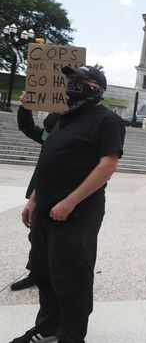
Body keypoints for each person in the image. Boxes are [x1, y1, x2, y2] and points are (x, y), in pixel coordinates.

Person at [10, 65, 126, 343]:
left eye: (79, 80)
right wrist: (34, 200)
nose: (72, 84)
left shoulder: (107, 120)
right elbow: (48, 161)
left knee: (71, 276)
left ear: (96, 88)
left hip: (77, 213)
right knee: (43, 271)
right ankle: (49, 326)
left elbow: (108, 165)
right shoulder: (62, 119)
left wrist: (70, 202)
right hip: (45, 210)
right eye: (70, 80)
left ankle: (72, 335)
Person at [9, 93, 60, 291]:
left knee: (58, 238)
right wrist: (25, 106)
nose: (47, 132)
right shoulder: (47, 138)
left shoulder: (72, 138)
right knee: (36, 234)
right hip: (41, 191)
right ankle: (35, 272)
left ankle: (55, 274)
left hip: (64, 193)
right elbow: (27, 127)